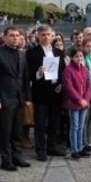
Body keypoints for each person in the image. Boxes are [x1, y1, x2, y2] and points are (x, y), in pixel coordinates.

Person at [0, 27, 31, 171]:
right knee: (5, 131)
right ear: (5, 37)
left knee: (17, 130)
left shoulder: (21, 54)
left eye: (17, 36)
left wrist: (27, 97)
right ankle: (6, 160)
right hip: (4, 98)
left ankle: (17, 157)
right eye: (11, 35)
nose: (15, 38)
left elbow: (25, 77)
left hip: (19, 98)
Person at [26, 25, 66, 161]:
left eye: (48, 34)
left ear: (52, 36)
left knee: (54, 121)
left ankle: (52, 146)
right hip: (41, 92)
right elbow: (29, 74)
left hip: (56, 91)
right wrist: (39, 72)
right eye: (43, 34)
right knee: (41, 123)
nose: (46, 37)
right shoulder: (31, 53)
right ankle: (41, 150)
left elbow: (63, 71)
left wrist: (61, 84)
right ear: (38, 36)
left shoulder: (59, 52)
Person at [62, 48, 91, 159]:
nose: (79, 58)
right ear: (72, 58)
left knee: (81, 126)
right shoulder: (68, 70)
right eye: (76, 56)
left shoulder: (85, 69)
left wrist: (86, 99)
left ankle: (80, 147)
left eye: (81, 56)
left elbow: (89, 86)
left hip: (84, 103)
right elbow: (69, 88)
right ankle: (74, 149)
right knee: (75, 126)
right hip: (74, 103)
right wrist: (80, 100)